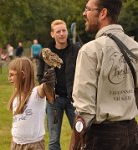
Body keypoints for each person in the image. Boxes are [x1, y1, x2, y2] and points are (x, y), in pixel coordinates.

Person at [72, 0, 138, 150]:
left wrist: (74, 145)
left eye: (87, 9)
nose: (84, 13)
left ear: (103, 13)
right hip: (133, 137)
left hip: (102, 138)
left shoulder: (90, 51)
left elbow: (84, 111)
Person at [37, 19, 80, 150]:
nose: (62, 34)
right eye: (58, 31)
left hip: (74, 100)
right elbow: (39, 75)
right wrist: (48, 91)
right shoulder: (45, 52)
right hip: (53, 102)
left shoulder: (77, 50)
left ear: (67, 32)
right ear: (52, 34)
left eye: (64, 30)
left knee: (81, 135)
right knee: (54, 139)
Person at [7, 57, 55, 150]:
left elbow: (44, 87)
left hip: (34, 145)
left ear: (22, 74)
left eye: (12, 75)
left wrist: (48, 81)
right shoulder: (17, 95)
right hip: (16, 143)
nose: (10, 78)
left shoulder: (36, 92)